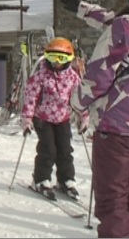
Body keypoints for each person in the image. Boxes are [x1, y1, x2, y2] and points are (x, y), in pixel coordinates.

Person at [70, 0, 129, 238]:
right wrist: (83, 9)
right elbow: (120, 22)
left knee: (113, 200)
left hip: (118, 127)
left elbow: (98, 77)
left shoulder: (126, 27)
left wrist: (77, 103)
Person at [20, 38, 84, 200]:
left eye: (61, 58)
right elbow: (30, 97)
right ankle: (40, 179)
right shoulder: (40, 75)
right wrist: (27, 119)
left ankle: (65, 179)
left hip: (63, 118)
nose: (56, 62)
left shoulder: (73, 77)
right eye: (52, 57)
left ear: (69, 59)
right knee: (48, 149)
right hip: (42, 118)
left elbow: (80, 99)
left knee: (65, 149)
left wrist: (83, 117)